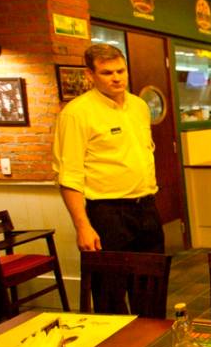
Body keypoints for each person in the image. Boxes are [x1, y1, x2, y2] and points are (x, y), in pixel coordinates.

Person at [52, 43, 163, 255]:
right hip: (109, 214)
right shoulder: (76, 113)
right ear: (90, 74)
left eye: (120, 71)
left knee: (152, 285)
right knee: (111, 287)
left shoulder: (139, 106)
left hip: (147, 208)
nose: (116, 77)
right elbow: (69, 176)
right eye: (107, 72)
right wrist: (82, 227)